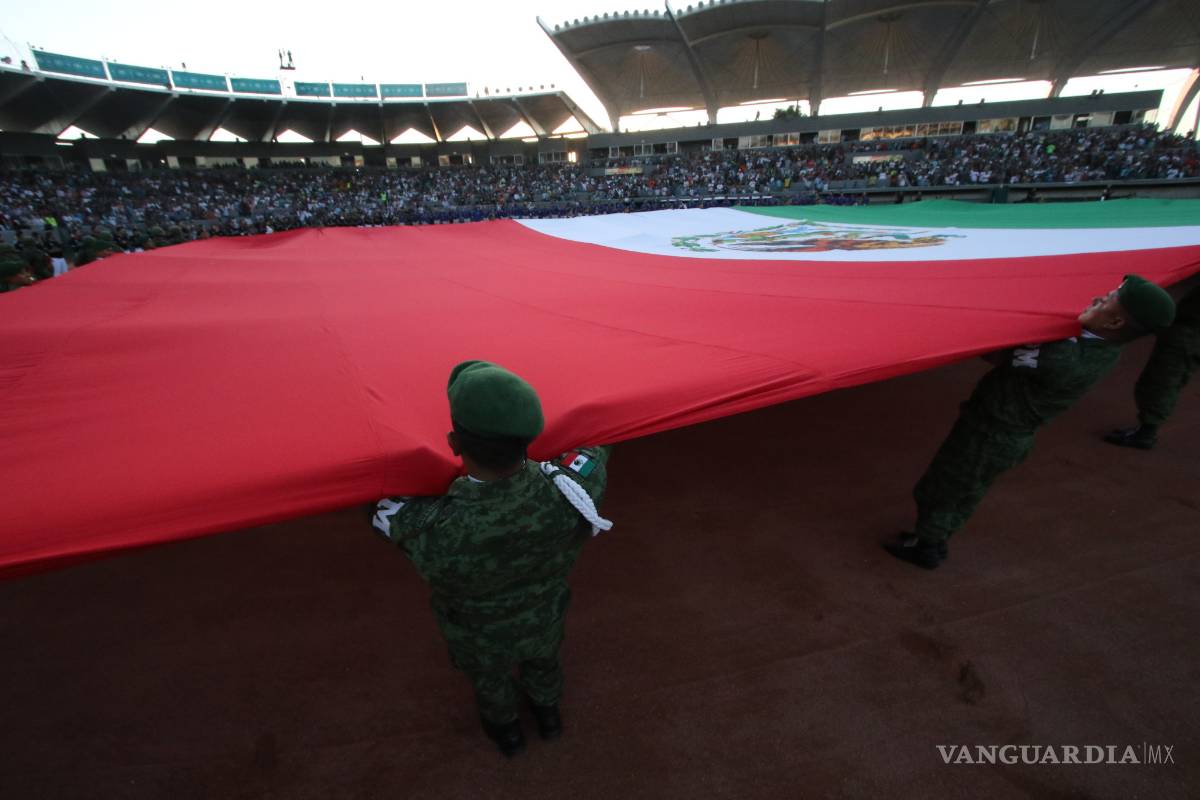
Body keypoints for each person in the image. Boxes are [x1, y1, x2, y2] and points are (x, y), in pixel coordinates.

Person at [369, 361, 612, 756]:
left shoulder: (434, 530)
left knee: (490, 680)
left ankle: (507, 734)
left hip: (479, 635)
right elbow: (596, 443)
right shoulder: (574, 489)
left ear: (453, 443)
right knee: (544, 660)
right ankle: (548, 715)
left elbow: (380, 509)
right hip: (544, 615)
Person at [887, 275, 1176, 570]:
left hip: (991, 433)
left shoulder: (1063, 358)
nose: (1097, 298)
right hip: (1002, 433)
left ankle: (927, 545)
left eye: (1108, 299)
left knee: (944, 488)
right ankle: (935, 538)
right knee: (967, 489)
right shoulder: (1100, 348)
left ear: (1115, 322)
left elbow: (996, 350)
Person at [1104, 284, 1200, 450]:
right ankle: (1147, 428)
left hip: (1191, 331)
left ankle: (1147, 432)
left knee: (1163, 379)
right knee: (1168, 377)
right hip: (1189, 326)